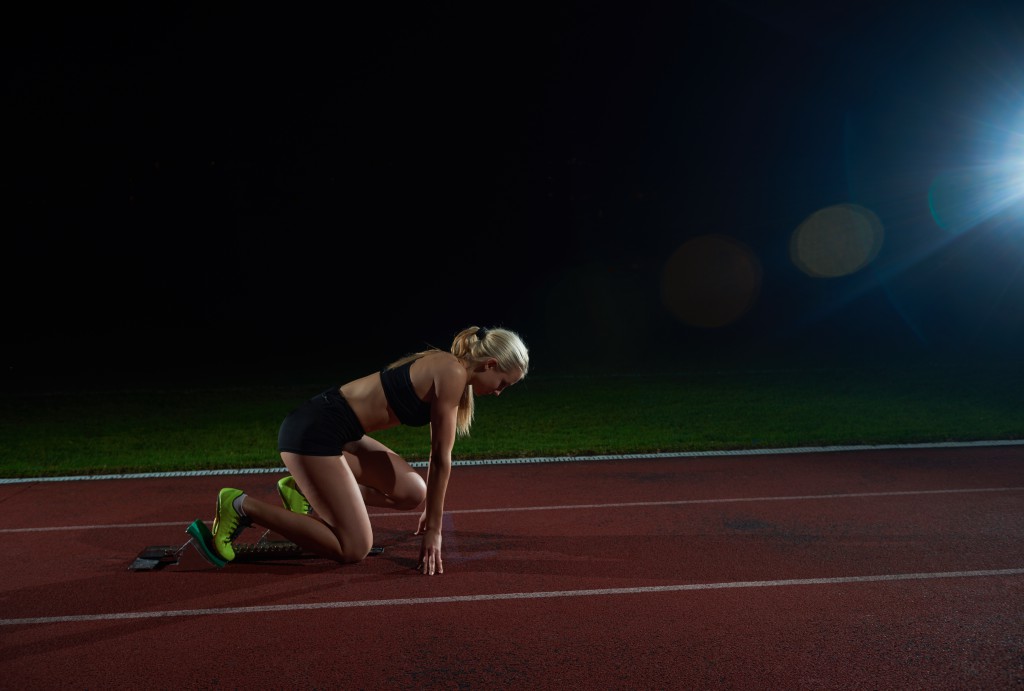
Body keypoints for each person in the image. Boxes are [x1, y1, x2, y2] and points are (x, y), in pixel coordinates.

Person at [195, 326, 528, 575]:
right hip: (313, 433)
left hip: (341, 433)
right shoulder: (452, 372)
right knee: (354, 548)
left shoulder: (450, 368)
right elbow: (440, 457)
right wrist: (433, 530)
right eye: (503, 384)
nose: (499, 392)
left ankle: (303, 491)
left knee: (413, 492)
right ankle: (240, 506)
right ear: (491, 364)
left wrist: (431, 514)